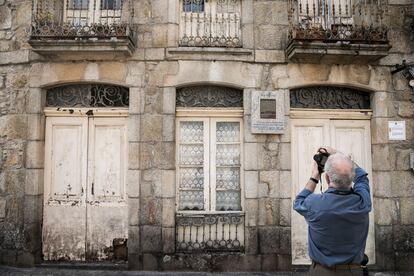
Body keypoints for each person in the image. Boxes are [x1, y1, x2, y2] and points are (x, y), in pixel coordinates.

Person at [293, 147, 371, 276]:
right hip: (354, 271)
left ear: (327, 178)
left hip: (321, 271)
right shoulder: (363, 202)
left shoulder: (314, 204)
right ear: (352, 178)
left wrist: (314, 177)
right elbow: (361, 176)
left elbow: (298, 202)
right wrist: (339, 154)